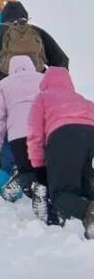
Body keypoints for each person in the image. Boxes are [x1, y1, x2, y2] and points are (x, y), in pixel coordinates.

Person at [0, 1, 69, 125]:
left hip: (6, 98)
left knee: (11, 137)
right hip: (39, 94)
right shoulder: (37, 32)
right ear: (25, 16)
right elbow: (61, 62)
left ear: (3, 18)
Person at [26, 66, 94, 236]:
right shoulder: (84, 100)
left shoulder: (42, 98)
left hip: (62, 137)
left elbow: (35, 135)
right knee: (86, 187)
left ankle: (89, 211)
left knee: (61, 193)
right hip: (90, 135)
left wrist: (39, 166)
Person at [0, 55, 45, 198]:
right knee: (44, 167)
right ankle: (43, 199)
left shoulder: (2, 85)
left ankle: (22, 185)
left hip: (18, 135)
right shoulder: (43, 79)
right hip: (42, 131)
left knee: (26, 170)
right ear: (32, 65)